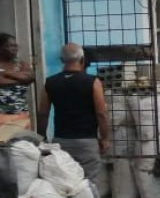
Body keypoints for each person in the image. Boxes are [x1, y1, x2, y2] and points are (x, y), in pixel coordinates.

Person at [37, 42, 108, 183]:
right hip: (87, 142)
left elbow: (43, 113)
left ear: (62, 60)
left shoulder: (50, 83)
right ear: (82, 60)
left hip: (61, 141)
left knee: (65, 181)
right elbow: (101, 113)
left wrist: (43, 137)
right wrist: (105, 138)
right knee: (88, 184)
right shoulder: (93, 82)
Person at [0, 33, 35, 130]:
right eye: (11, 45)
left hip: (21, 116)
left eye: (16, 46)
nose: (15, 48)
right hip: (2, 117)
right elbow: (25, 79)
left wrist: (7, 74)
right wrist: (21, 78)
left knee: (23, 143)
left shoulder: (23, 65)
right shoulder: (21, 69)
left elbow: (31, 78)